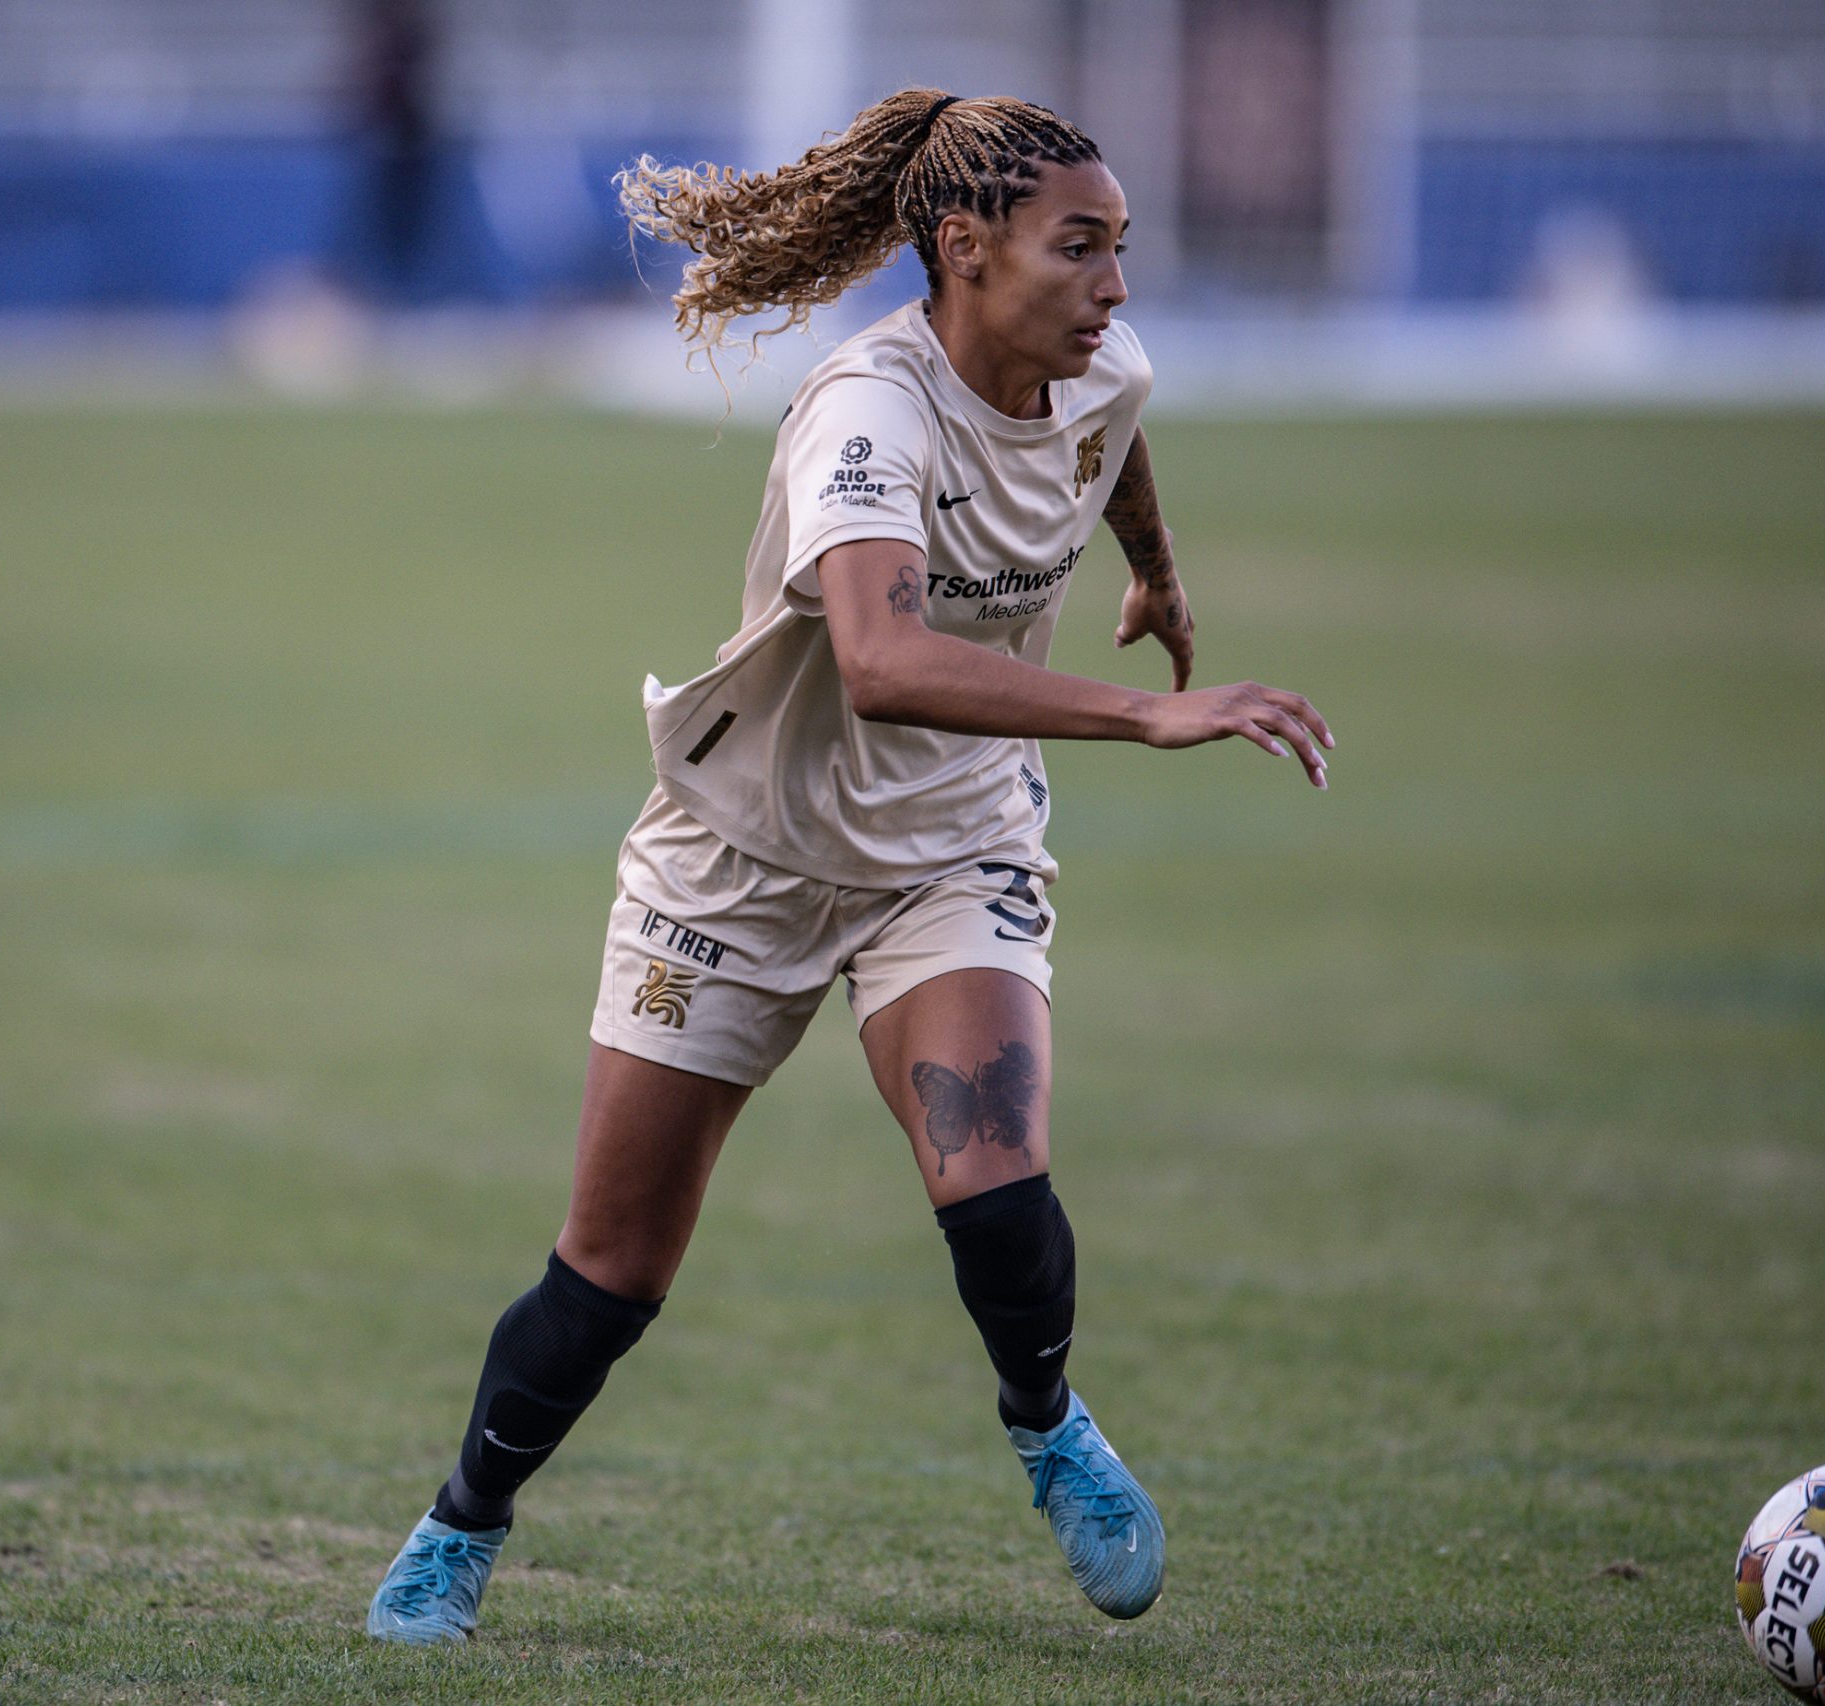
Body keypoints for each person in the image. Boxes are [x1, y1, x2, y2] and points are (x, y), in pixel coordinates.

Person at [364, 87, 1332, 1644]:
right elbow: (880, 661)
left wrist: (1155, 574)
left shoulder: (1104, 363)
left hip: (950, 836)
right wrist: (1149, 717)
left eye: (1121, 246)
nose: (1116, 286)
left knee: (995, 1176)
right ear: (964, 246)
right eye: (1079, 247)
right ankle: (460, 1522)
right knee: (612, 1270)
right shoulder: (867, 413)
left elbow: (1113, 436)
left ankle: (1047, 1422)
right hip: (739, 854)